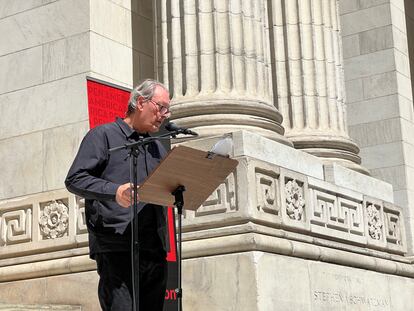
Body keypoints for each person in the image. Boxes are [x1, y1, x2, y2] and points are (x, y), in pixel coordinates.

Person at [65, 79, 171, 311]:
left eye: (167, 109)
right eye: (161, 107)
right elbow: (75, 179)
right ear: (141, 102)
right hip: (116, 244)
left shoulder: (156, 147)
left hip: (153, 247)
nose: (165, 114)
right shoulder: (103, 136)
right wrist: (115, 191)